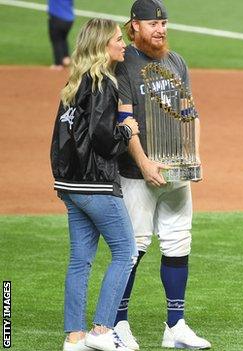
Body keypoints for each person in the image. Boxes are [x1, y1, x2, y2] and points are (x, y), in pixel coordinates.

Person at [111, 1, 210, 349]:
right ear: (134, 26)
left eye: (164, 23)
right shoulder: (123, 64)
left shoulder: (176, 61)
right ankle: (117, 324)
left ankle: (175, 325)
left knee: (178, 242)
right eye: (153, 23)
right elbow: (124, 122)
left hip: (176, 172)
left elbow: (190, 113)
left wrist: (193, 156)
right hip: (136, 174)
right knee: (133, 248)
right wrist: (143, 164)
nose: (161, 29)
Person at [50, 18, 139, 351]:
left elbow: (61, 139)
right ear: (104, 46)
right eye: (118, 39)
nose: (123, 44)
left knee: (80, 260)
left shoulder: (74, 84)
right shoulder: (104, 83)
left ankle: (73, 338)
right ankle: (102, 331)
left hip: (70, 184)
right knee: (125, 252)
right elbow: (104, 140)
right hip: (96, 183)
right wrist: (127, 131)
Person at [47, 0, 74, 70]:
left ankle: (58, 63)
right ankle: (66, 58)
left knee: (56, 39)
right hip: (69, 19)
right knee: (63, 38)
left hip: (57, 18)